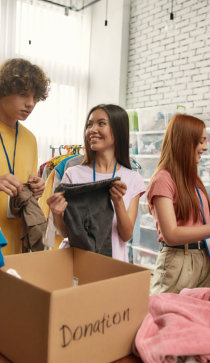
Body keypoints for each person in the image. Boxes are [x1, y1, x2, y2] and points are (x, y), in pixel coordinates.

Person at [0, 58, 50, 336]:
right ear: (3, 90)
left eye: (35, 98)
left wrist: (35, 189)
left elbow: (24, 195)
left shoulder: (30, 139)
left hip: (17, 255)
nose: (30, 104)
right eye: (23, 94)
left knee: (6, 340)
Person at [146, 114, 210, 294]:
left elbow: (198, 224)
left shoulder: (192, 179)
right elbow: (171, 234)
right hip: (179, 261)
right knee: (167, 318)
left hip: (206, 258)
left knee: (200, 318)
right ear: (185, 142)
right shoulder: (162, 180)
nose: (205, 147)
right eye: (201, 141)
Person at [47, 104, 146, 262]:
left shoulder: (133, 179)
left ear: (118, 129)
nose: (92, 130)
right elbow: (65, 233)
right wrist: (56, 213)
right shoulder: (73, 174)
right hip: (74, 262)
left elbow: (126, 235)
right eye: (89, 124)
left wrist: (118, 201)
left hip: (111, 265)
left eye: (101, 123)